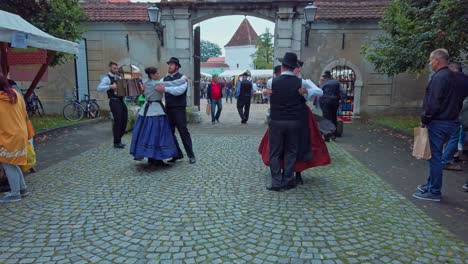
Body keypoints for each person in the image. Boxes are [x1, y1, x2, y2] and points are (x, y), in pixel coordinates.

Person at [259, 61, 331, 186]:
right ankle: (285, 175)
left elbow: (319, 92)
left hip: (300, 117)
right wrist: (266, 93)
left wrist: (307, 92)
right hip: (284, 118)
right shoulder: (277, 81)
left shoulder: (303, 82)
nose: (298, 70)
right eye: (296, 68)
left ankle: (296, 174)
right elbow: (269, 96)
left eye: (299, 68)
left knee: (299, 145)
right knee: (283, 147)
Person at [413, 49, 468, 202]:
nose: (430, 63)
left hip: (438, 122)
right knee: (435, 156)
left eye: (431, 60)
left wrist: (425, 119)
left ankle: (434, 191)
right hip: (451, 121)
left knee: (434, 158)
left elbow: (433, 102)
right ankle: (430, 185)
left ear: (437, 60)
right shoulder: (454, 76)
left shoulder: (439, 77)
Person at [266, 52, 308, 191]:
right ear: (293, 66)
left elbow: (268, 97)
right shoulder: (301, 82)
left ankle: (277, 182)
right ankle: (288, 179)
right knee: (291, 151)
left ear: (283, 66)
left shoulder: (272, 82)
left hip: (277, 120)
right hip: (295, 121)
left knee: (275, 152)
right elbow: (316, 93)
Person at [130, 67, 188, 166]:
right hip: (156, 111)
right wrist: (183, 79)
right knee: (157, 134)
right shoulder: (155, 83)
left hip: (146, 111)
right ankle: (156, 158)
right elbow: (171, 84)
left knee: (147, 134)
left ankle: (151, 157)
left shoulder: (146, 83)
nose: (159, 75)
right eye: (157, 74)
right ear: (152, 75)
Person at [155, 57, 196, 164]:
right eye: (169, 64)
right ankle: (177, 154)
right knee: (169, 133)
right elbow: (156, 86)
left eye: (171, 64)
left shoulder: (183, 78)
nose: (169, 66)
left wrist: (165, 89)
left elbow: (179, 91)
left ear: (177, 66)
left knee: (183, 132)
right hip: (168, 109)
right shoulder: (164, 79)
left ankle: (191, 155)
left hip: (179, 109)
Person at [0, 73, 29, 203]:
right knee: (13, 162)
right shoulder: (16, 94)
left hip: (7, 135)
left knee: (7, 163)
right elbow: (24, 113)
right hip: (20, 132)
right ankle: (23, 189)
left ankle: (15, 193)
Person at [440, 62, 468, 171]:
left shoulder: (447, 79)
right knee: (454, 137)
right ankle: (446, 159)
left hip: (445, 114)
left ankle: (444, 159)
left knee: (450, 137)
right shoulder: (465, 80)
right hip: (457, 113)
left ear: (454, 69)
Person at [97, 61, 128, 149]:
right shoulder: (107, 78)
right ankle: (116, 142)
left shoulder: (118, 77)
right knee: (118, 121)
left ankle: (119, 139)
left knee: (124, 120)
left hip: (121, 101)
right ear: (110, 67)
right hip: (114, 101)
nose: (116, 69)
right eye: (114, 68)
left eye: (117, 68)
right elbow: (99, 88)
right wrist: (110, 86)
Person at [319, 70, 342, 141]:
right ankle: (334, 135)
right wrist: (341, 101)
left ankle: (326, 136)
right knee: (334, 117)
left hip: (325, 102)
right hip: (335, 102)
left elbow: (320, 92)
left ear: (325, 77)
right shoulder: (336, 82)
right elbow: (343, 92)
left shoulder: (324, 83)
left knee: (326, 118)